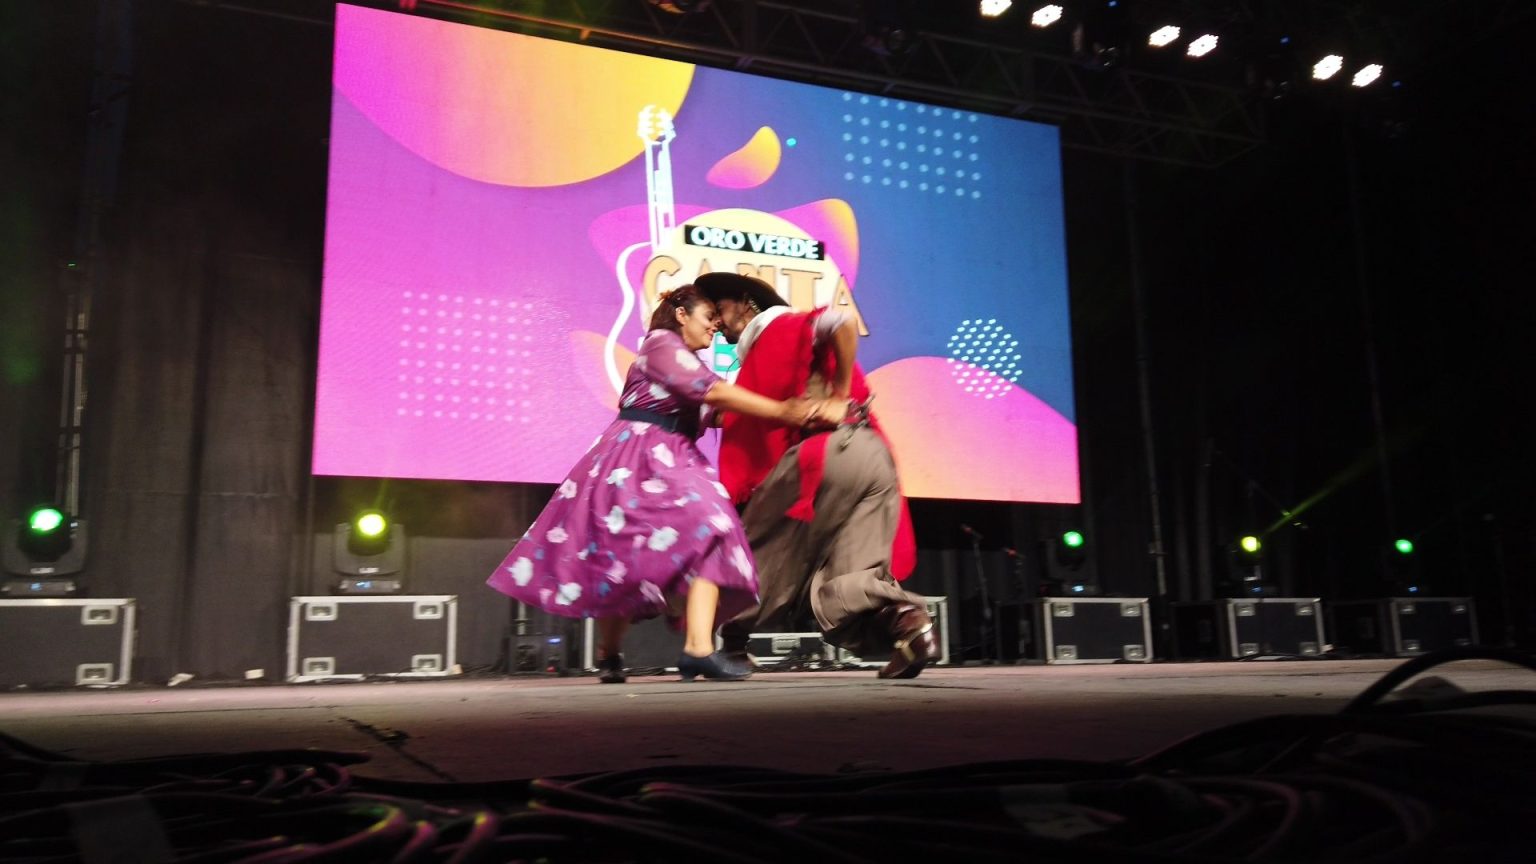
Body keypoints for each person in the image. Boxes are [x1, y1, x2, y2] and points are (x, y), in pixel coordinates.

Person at [486, 285, 840, 683]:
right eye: (709, 319)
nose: (714, 329)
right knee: (621, 556)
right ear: (682, 315)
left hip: (675, 455)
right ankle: (610, 653)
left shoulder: (688, 363)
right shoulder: (660, 344)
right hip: (635, 456)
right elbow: (716, 393)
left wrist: (798, 403)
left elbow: (721, 412)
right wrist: (783, 411)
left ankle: (698, 648)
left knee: (717, 527)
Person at [697, 272, 940, 680]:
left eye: (721, 311)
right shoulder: (761, 361)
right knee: (852, 574)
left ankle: (734, 647)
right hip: (871, 458)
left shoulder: (781, 326)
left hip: (822, 457)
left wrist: (840, 395)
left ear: (745, 302)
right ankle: (910, 626)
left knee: (755, 553)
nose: (720, 324)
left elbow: (838, 322)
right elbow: (740, 414)